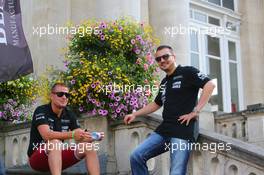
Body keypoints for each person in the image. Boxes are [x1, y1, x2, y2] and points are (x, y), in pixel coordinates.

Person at [124, 45, 215, 175]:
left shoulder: (188, 72)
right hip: (164, 130)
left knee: (176, 172)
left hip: (183, 130)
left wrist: (196, 111)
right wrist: (135, 114)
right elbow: (156, 103)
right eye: (158, 59)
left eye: (165, 56)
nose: (162, 60)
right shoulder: (164, 82)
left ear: (173, 57)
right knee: (136, 156)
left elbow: (210, 85)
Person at [27, 83, 104, 175]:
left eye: (67, 95)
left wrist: (91, 137)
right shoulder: (41, 110)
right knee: (55, 142)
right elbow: (46, 135)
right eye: (60, 94)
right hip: (36, 159)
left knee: (89, 147)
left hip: (57, 157)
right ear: (51, 96)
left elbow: (79, 135)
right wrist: (72, 134)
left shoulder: (69, 113)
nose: (64, 97)